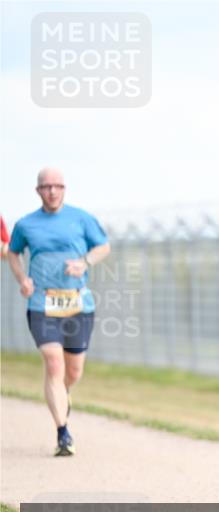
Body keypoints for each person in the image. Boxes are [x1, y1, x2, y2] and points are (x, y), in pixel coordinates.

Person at [7, 168, 111, 456]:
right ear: (38, 191)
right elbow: (13, 253)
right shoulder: (26, 224)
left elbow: (103, 246)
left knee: (73, 371)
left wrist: (85, 261)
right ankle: (63, 432)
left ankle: (63, 396)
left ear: (65, 189)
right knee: (54, 364)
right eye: (46, 187)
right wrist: (22, 279)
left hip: (78, 304)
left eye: (58, 186)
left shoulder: (81, 218)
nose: (52, 191)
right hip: (42, 303)